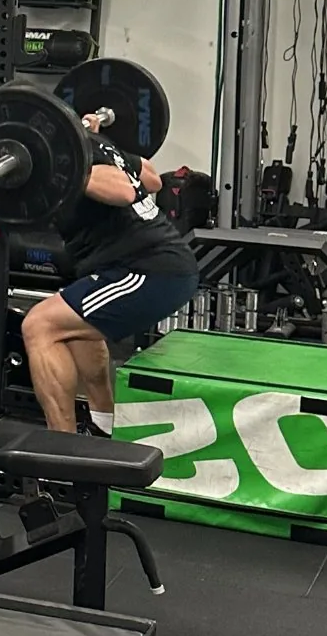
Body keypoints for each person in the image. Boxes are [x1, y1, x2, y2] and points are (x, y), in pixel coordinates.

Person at [17, 113, 200, 437]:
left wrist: (60, 170)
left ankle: (60, 455)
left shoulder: (73, 155)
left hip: (146, 269)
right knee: (76, 331)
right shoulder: (99, 145)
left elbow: (123, 192)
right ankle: (102, 429)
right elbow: (154, 180)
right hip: (144, 265)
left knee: (39, 325)